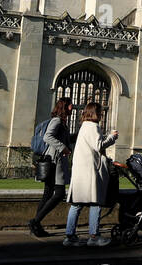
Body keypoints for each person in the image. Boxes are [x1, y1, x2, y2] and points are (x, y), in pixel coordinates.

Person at [65, 102, 119, 247]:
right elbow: (99, 145)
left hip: (80, 171)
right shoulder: (93, 127)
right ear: (96, 113)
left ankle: (70, 237)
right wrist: (112, 137)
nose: (102, 115)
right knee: (96, 203)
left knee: (77, 204)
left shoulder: (84, 126)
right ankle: (94, 236)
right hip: (90, 171)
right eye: (100, 112)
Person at [27, 98, 73, 237]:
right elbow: (48, 137)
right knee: (59, 194)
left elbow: (64, 138)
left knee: (47, 194)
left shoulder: (61, 122)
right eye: (70, 104)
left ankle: (36, 225)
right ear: (65, 106)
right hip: (55, 160)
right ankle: (35, 221)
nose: (73, 107)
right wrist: (63, 148)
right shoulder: (57, 121)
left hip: (53, 159)